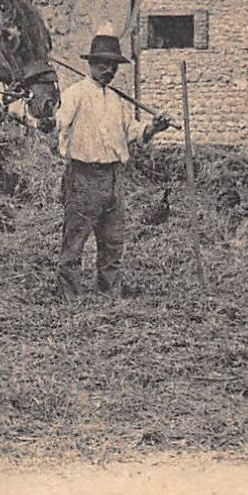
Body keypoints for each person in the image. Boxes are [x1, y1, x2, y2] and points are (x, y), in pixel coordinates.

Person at [54, 32, 171, 299]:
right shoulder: (75, 94)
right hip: (84, 176)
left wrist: (155, 127)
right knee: (75, 239)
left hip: (114, 177)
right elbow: (57, 122)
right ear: (91, 64)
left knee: (113, 241)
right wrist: (49, 122)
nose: (108, 70)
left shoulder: (118, 99)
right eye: (103, 64)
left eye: (113, 65)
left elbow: (133, 132)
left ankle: (110, 290)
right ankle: (69, 294)